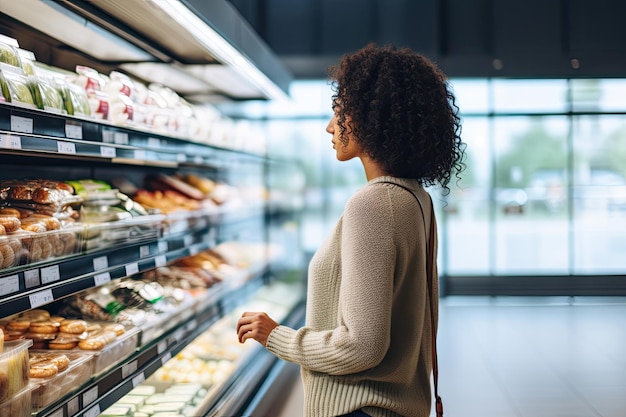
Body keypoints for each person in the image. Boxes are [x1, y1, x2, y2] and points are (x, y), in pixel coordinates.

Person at [237, 43, 465, 417]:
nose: (330, 126)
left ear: (373, 116)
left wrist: (274, 335)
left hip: (361, 410)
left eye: (338, 111)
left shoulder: (373, 204)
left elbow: (361, 346)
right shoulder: (415, 198)